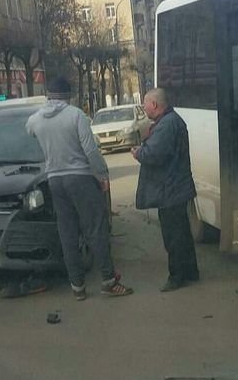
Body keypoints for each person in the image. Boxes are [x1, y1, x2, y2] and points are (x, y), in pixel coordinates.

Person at [25, 77, 133, 300]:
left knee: (68, 233)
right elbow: (90, 150)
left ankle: (77, 286)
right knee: (95, 229)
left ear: (48, 95)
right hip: (80, 178)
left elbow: (29, 131)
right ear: (68, 96)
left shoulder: (35, 120)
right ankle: (108, 281)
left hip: (55, 180)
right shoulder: (76, 115)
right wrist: (102, 174)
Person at [132, 88, 199, 292]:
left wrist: (139, 153)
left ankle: (176, 276)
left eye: (145, 103)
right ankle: (190, 271)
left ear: (154, 104)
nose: (143, 107)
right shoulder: (170, 121)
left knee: (173, 237)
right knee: (183, 233)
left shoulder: (167, 125)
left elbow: (154, 153)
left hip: (169, 189)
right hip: (175, 187)